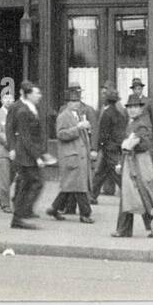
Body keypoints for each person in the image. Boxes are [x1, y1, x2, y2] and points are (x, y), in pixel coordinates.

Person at [113, 95, 153, 238]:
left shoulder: (142, 123)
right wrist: (121, 161)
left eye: (135, 107)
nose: (132, 110)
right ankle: (125, 229)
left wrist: (133, 143)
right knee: (130, 195)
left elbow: (146, 144)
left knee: (143, 194)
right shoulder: (132, 123)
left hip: (140, 163)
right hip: (132, 162)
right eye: (129, 107)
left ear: (141, 109)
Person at [48, 87, 95, 223]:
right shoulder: (63, 116)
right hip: (71, 156)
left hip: (78, 156)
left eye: (78, 101)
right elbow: (61, 134)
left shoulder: (78, 115)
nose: (77, 104)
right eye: (74, 101)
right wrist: (78, 128)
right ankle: (85, 214)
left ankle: (54, 208)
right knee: (79, 187)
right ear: (68, 103)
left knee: (70, 186)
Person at [7, 81, 47, 229]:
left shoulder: (31, 108)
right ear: (28, 94)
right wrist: (37, 156)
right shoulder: (22, 111)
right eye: (37, 93)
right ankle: (19, 216)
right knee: (33, 183)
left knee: (29, 183)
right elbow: (25, 136)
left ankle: (20, 215)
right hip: (25, 155)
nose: (40, 96)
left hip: (28, 154)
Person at [90, 84, 126, 202]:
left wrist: (98, 146)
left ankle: (130, 196)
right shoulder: (119, 114)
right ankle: (92, 196)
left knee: (116, 174)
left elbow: (103, 133)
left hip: (109, 148)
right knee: (101, 173)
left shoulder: (106, 113)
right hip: (116, 147)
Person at [0, 89, 15, 213]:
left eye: (11, 98)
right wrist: (11, 144)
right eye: (6, 98)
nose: (8, 101)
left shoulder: (16, 113)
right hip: (2, 151)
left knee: (11, 176)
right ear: (1, 100)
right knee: (4, 178)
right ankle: (5, 204)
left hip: (14, 151)